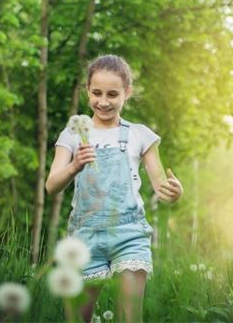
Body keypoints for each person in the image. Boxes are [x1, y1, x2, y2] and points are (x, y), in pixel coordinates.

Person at [45, 54, 184, 323]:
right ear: (87, 91)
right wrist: (74, 166)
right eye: (96, 93)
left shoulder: (139, 134)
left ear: (127, 93)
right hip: (84, 237)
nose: (103, 101)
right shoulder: (72, 134)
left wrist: (174, 192)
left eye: (112, 94)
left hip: (129, 235)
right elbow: (52, 186)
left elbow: (160, 187)